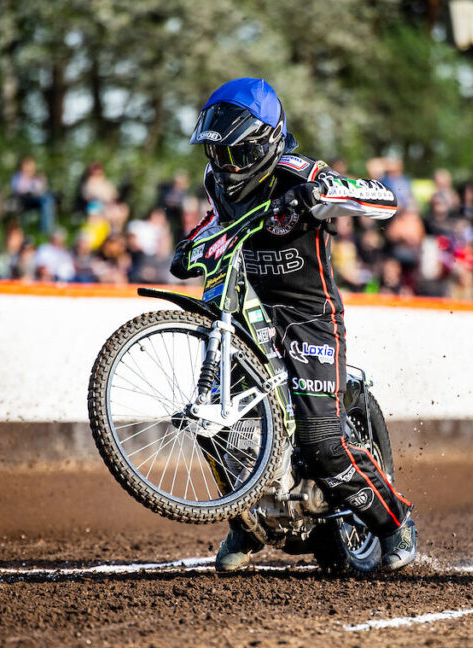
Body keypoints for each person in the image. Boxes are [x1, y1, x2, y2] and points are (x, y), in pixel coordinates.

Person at [171, 78, 416, 573]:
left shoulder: (299, 174)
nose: (226, 166)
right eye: (218, 155)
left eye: (236, 155)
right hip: (249, 312)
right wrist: (189, 246)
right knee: (214, 421)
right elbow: (216, 221)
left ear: (264, 143)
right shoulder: (216, 181)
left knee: (322, 443)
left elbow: (384, 200)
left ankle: (394, 522)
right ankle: (249, 519)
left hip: (310, 319)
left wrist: (317, 193)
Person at [10, 157, 55, 234]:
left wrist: (42, 181)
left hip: (37, 200)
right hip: (23, 200)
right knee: (47, 200)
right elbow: (18, 190)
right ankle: (46, 230)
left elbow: (42, 190)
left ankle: (46, 230)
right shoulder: (17, 177)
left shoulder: (37, 176)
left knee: (47, 200)